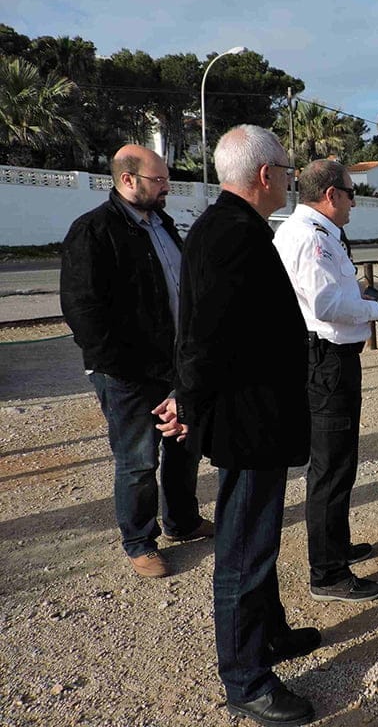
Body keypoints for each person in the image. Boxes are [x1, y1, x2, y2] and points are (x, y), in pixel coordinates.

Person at [161, 125, 318, 726]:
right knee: (244, 550)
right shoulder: (232, 235)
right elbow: (205, 338)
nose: (289, 177)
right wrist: (189, 404)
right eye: (285, 167)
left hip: (258, 418)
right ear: (264, 175)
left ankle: (269, 636)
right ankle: (247, 680)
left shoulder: (232, 226)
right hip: (248, 423)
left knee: (261, 540)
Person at [60, 144, 212, 579]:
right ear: (128, 180)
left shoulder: (162, 224)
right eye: (158, 180)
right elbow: (83, 311)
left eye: (166, 180)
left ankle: (182, 522)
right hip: (128, 374)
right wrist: (119, 366)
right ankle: (139, 541)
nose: (166, 188)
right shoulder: (92, 231)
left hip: (176, 365)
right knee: (138, 459)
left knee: (184, 448)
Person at [273, 159, 378, 603]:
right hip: (326, 362)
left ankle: (336, 547)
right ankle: (328, 574)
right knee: (331, 466)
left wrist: (359, 302)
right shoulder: (310, 237)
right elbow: (325, 304)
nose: (353, 201)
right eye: (349, 192)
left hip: (328, 359)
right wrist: (377, 311)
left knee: (339, 461)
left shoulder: (313, 232)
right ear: (331, 195)